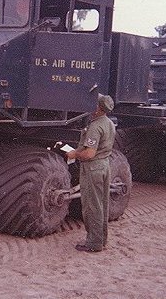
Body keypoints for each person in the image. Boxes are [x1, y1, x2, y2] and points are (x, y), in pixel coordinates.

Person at [66, 94, 116, 253]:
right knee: (102, 204)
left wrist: (74, 154)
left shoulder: (95, 127)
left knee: (92, 206)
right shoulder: (108, 123)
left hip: (93, 168)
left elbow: (89, 154)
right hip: (104, 165)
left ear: (98, 108)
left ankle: (93, 243)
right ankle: (101, 239)